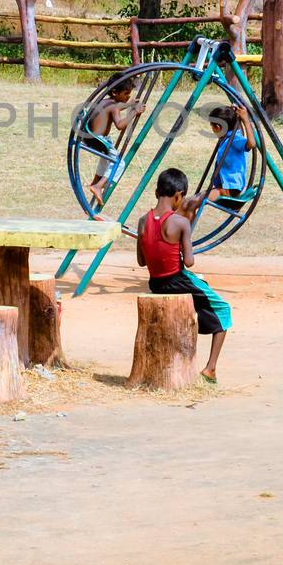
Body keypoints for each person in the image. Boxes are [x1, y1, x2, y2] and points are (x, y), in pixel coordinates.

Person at [136, 167, 231, 383]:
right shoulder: (180, 223)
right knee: (223, 308)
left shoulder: (143, 220)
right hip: (177, 280)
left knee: (200, 285)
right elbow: (189, 261)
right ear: (179, 196)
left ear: (156, 192)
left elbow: (141, 261)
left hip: (155, 283)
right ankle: (210, 369)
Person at [81, 75, 143, 209]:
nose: (128, 96)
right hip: (99, 140)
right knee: (119, 163)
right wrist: (134, 112)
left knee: (107, 158)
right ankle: (98, 186)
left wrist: (129, 104)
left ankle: (96, 181)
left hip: (88, 138)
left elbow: (116, 107)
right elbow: (120, 125)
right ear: (115, 93)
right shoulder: (113, 106)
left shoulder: (105, 102)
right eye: (126, 94)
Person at [203, 104, 253, 210]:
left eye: (212, 126)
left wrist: (246, 120)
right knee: (193, 202)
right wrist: (235, 114)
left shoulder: (235, 140)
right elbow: (237, 129)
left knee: (192, 202)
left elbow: (251, 144)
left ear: (218, 127)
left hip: (230, 189)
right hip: (225, 187)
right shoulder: (228, 138)